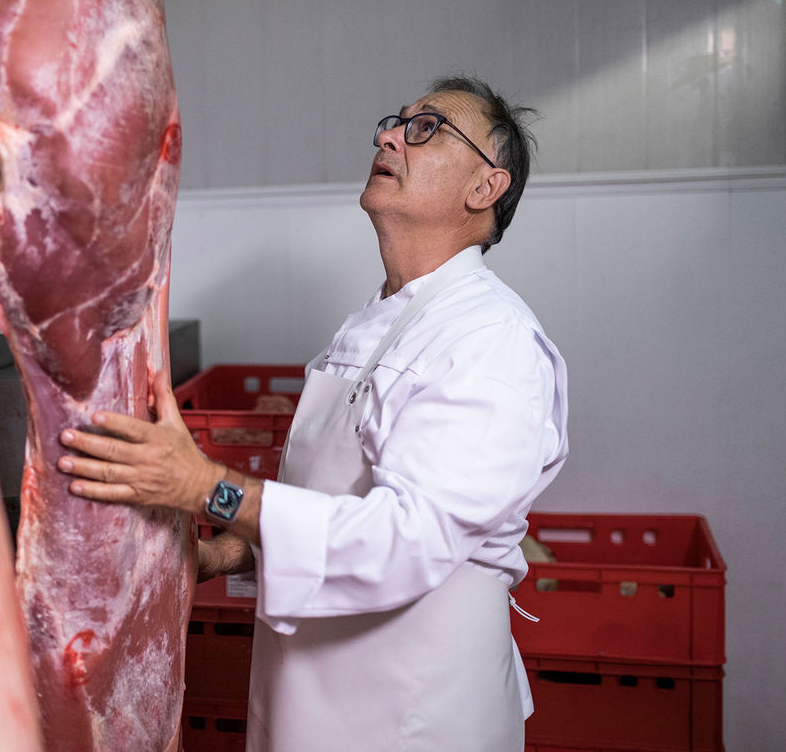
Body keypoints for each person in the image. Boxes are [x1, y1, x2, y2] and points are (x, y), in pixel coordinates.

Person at [57, 74, 569, 751]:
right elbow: (334, 503)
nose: (388, 136)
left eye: (426, 129)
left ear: (485, 188)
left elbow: (403, 539)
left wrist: (205, 486)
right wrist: (227, 552)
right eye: (395, 122)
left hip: (414, 715)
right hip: (313, 703)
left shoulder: (489, 340)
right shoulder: (374, 322)